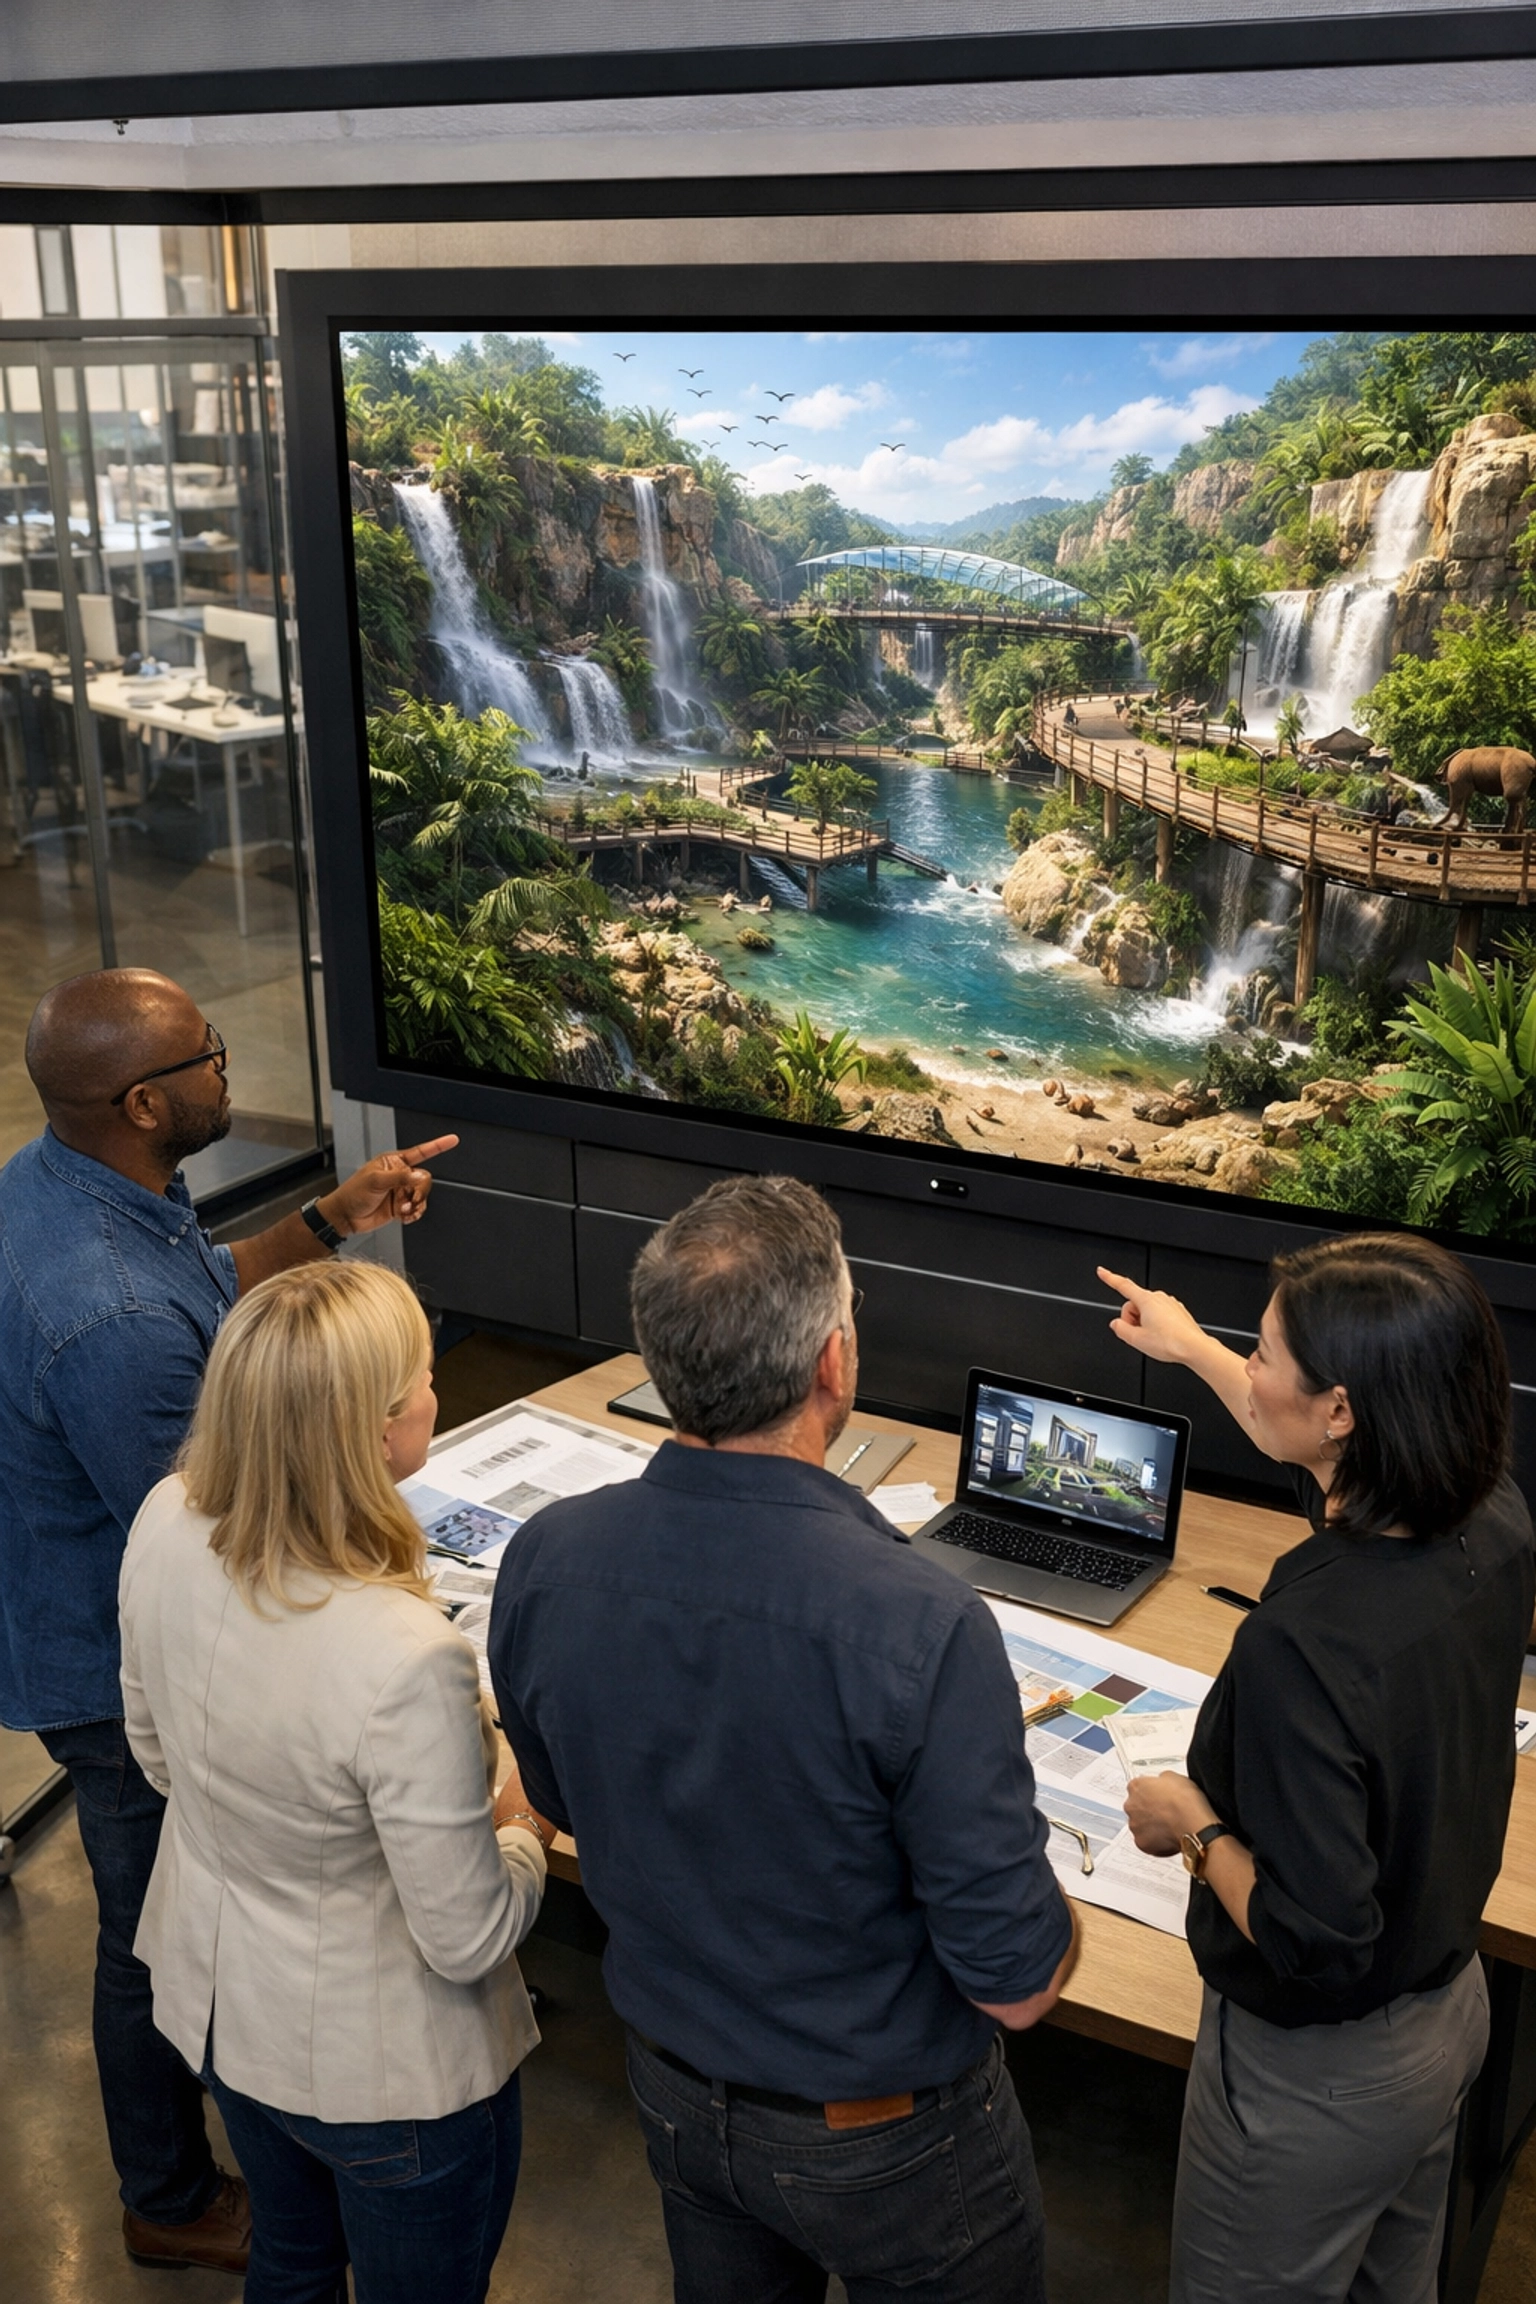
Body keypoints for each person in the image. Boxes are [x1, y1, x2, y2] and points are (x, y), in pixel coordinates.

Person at [489, 1174, 1078, 2304]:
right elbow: (1018, 1988)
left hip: (672, 2097)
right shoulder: (926, 1624)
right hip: (891, 2147)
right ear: (832, 1366)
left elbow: (551, 1795)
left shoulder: (548, 1558)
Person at [0, 966, 458, 2271]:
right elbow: (215, 1541)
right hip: (108, 1662)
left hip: (81, 1597)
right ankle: (171, 2195)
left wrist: (331, 1218)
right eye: (207, 1053)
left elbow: (213, 1288)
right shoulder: (116, 1323)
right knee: (154, 1935)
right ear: (146, 1101)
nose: (228, 1063)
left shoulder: (79, 1180)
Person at [1097, 1235, 1535, 2304]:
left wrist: (1192, 1824)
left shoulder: (1306, 1640)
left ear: (1340, 1410)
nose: (1250, 1364)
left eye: (1265, 1351)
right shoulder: (1490, 1518)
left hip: (1317, 2082)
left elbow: (1320, 1942)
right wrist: (1192, 1347)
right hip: (1447, 2020)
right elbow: (1301, 1435)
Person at [119, 1260, 548, 2304]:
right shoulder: (405, 1652)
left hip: (228, 2016)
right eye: (427, 1378)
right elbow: (467, 1934)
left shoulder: (165, 1516)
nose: (438, 1393)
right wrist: (525, 1819)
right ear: (377, 1431)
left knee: (294, 2262)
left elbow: (157, 1756)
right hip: (386, 2079)